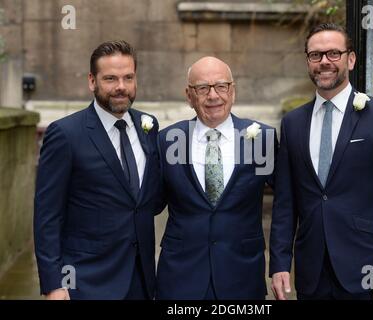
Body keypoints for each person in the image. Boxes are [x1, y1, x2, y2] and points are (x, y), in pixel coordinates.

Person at [270, 23, 373, 300]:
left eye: (333, 53)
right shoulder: (292, 123)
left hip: (367, 269)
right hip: (311, 271)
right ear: (308, 62)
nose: (324, 62)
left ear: (350, 59)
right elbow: (285, 202)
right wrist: (279, 263)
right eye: (316, 55)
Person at [34, 40, 162, 300]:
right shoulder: (65, 134)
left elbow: (146, 199)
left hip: (142, 279)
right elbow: (48, 215)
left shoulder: (149, 126)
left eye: (128, 77)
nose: (121, 87)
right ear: (92, 81)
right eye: (111, 78)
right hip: (86, 282)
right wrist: (54, 285)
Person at [155, 56, 277, 300]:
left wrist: (281, 262)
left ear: (233, 91)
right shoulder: (167, 139)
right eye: (202, 88)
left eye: (221, 86)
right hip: (181, 277)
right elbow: (150, 202)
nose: (213, 96)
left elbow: (287, 203)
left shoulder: (262, 139)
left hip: (242, 274)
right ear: (189, 96)